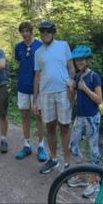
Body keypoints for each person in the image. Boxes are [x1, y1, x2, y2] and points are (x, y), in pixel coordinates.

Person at [33, 20, 75, 174]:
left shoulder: (63, 46)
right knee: (50, 127)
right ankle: (54, 159)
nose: (45, 35)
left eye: (48, 32)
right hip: (45, 94)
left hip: (62, 92)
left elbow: (71, 68)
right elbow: (37, 77)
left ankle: (68, 163)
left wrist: (72, 83)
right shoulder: (38, 52)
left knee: (64, 127)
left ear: (53, 33)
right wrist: (35, 100)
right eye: (43, 32)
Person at [66, 45, 103, 198]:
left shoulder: (94, 77)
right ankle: (82, 175)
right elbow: (72, 101)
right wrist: (70, 88)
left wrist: (85, 88)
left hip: (92, 118)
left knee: (93, 150)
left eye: (82, 59)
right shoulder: (76, 76)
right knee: (73, 145)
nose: (79, 62)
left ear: (87, 60)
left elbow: (99, 99)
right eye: (77, 60)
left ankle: (93, 181)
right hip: (79, 117)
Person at [14, 22, 47, 162]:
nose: (25, 33)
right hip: (22, 86)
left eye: (27, 31)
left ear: (31, 32)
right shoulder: (18, 47)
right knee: (24, 115)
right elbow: (19, 63)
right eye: (23, 31)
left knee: (39, 115)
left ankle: (41, 146)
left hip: (37, 88)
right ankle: (27, 145)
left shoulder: (40, 45)